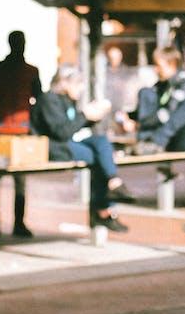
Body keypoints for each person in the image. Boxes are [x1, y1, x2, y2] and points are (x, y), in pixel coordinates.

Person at [35, 67, 129, 232]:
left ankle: (114, 182)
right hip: (54, 146)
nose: (81, 89)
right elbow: (61, 132)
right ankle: (104, 210)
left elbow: (72, 126)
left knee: (101, 143)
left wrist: (94, 117)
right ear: (64, 83)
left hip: (69, 142)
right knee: (96, 157)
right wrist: (85, 115)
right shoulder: (49, 100)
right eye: (78, 84)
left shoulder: (67, 101)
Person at [0, 31, 43, 238]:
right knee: (13, 180)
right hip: (14, 130)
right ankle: (11, 223)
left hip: (5, 129)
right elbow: (39, 99)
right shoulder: (30, 71)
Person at [132, 46, 185, 153]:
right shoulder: (163, 86)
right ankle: (146, 140)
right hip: (164, 137)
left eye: (158, 66)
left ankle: (152, 143)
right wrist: (131, 119)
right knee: (145, 92)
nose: (156, 69)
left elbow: (176, 116)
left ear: (172, 64)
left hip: (182, 139)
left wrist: (158, 138)